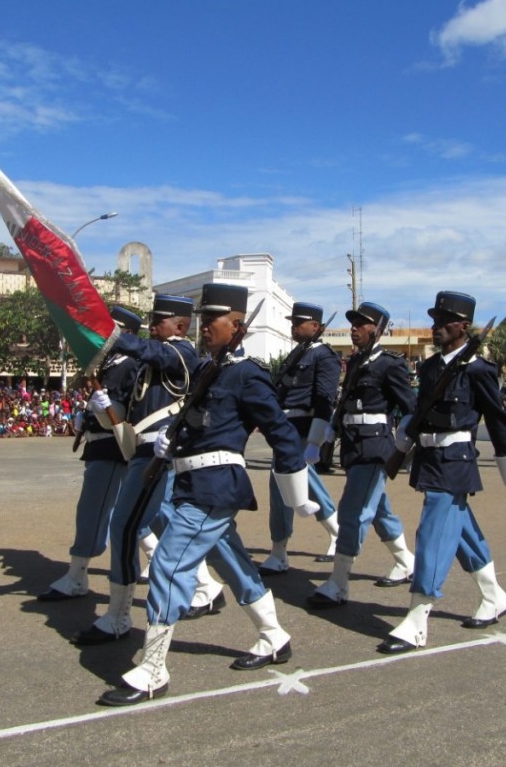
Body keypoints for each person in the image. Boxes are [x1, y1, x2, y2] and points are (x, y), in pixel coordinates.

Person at [97, 283, 311, 706]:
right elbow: (199, 424)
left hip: (216, 485)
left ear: (235, 325)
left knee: (168, 565)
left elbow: (281, 432)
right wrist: (170, 445)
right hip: (193, 483)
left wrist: (297, 494)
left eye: (209, 320)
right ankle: (273, 635)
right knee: (232, 563)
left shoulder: (247, 374)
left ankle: (154, 668)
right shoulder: (209, 368)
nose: (202, 328)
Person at [377, 291, 506, 654]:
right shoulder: (431, 368)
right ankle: (494, 597)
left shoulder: (477, 369)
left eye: (446, 322)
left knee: (432, 530)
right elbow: (421, 409)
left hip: (456, 458)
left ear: (464, 327)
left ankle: (417, 618)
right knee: (460, 531)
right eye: (435, 321)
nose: (438, 327)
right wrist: (404, 437)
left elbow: (497, 418)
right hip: (429, 456)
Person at [71, 294, 209, 646]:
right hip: (140, 453)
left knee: (126, 525)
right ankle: (200, 588)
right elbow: (129, 415)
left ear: (180, 325)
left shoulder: (181, 353)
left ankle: (119, 616)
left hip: (160, 456)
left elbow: (153, 352)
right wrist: (105, 409)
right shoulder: (147, 365)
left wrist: (111, 335)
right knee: (134, 525)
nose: (152, 326)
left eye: (159, 320)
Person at [306, 301, 417, 609]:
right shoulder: (356, 362)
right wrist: (334, 426)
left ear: (377, 330)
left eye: (360, 324)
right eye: (352, 323)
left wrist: (404, 441)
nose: (354, 328)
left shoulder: (390, 363)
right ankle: (405, 561)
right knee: (378, 509)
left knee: (353, 511)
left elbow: (410, 407)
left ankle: (339, 583)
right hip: (354, 446)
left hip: (375, 448)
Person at [37, 307, 141, 602]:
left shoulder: (129, 364)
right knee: (139, 517)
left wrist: (106, 408)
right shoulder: (108, 363)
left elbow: (126, 408)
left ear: (126, 334)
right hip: (99, 443)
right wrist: (88, 414)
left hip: (112, 445)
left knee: (92, 511)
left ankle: (77, 576)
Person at [259, 301, 341, 575]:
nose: (293, 327)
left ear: (315, 327)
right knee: (279, 489)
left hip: (305, 428)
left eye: (298, 323)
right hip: (285, 426)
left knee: (305, 483)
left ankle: (337, 531)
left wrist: (316, 440)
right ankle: (278, 551)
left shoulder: (325, 356)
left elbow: (324, 399)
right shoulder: (296, 354)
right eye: (292, 322)